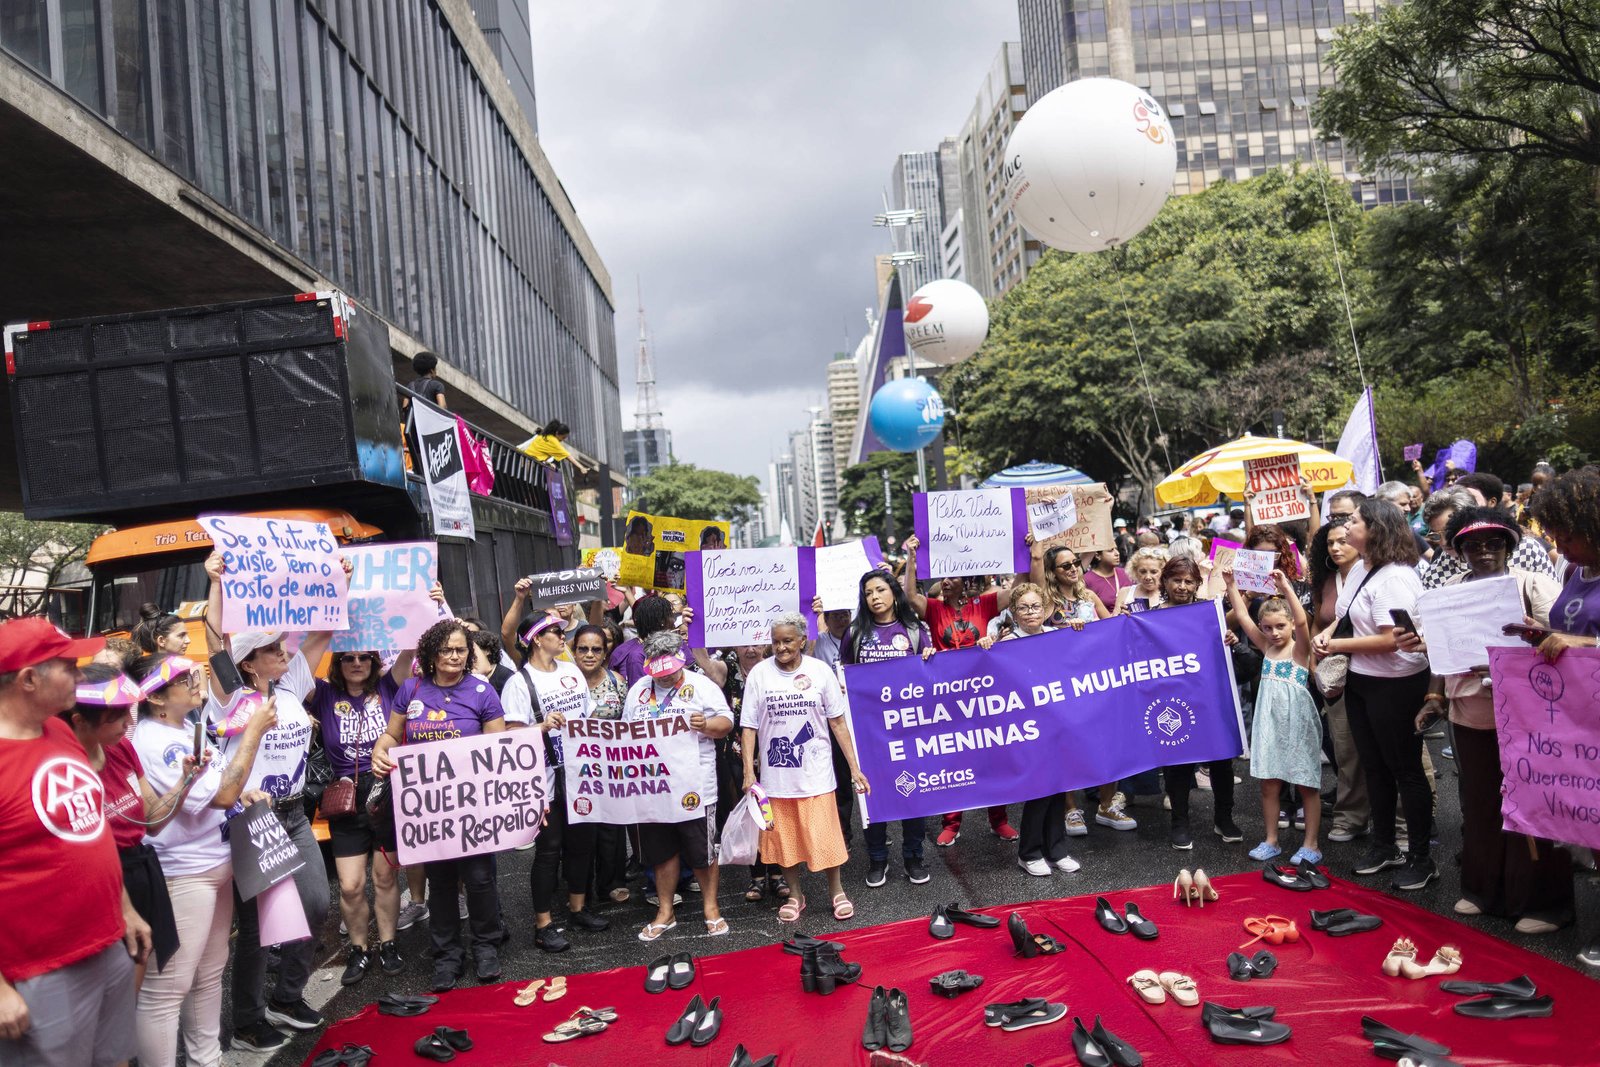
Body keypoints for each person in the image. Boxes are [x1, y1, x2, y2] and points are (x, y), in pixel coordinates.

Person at [1402, 508, 1566, 932]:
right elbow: (1440, 650)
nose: (1484, 551)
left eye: (1494, 542)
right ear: (1459, 551)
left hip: (1528, 718)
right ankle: (1482, 890)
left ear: (1510, 545)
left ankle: (1542, 904)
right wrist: (1434, 696)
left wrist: (1531, 643)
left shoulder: (1533, 584)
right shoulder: (1452, 589)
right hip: (1469, 716)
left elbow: (1562, 645)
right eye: (1472, 545)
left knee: (1530, 805)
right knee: (1480, 805)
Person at [0, 617, 151, 1067]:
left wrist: (123, 909)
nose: (82, 675)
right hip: (38, 972)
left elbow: (91, 829)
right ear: (28, 679)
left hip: (105, 948)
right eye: (68, 665)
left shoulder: (60, 731)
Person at [199, 552, 337, 1041]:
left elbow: (323, 632)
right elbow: (216, 645)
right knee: (259, 928)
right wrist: (215, 584)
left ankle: (287, 997)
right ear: (248, 661)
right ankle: (249, 1018)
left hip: (295, 816)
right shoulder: (231, 698)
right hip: (252, 819)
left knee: (317, 903)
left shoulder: (291, 685)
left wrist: (336, 581)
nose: (285, 652)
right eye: (273, 648)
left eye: (283, 647)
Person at [127, 653, 274, 1062]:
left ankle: (206, 1059)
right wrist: (253, 733)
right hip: (183, 874)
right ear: (156, 699)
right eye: (183, 678)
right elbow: (220, 794)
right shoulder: (152, 740)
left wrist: (240, 793)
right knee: (167, 989)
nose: (196, 679)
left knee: (209, 975)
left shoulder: (186, 725)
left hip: (214, 864)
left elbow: (221, 790)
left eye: (193, 672)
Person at [372, 619, 508, 989]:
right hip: (429, 810)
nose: (453, 655)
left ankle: (486, 948)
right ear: (431, 653)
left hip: (474, 807)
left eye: (461, 650)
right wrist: (380, 753)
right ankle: (446, 956)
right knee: (441, 883)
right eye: (446, 649)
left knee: (480, 880)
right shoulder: (411, 689)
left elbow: (497, 751)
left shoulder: (482, 691)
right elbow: (391, 735)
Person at [1312, 499, 1435, 891]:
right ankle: (1384, 846)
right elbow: (1343, 617)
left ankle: (1420, 857)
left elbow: (1389, 640)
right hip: (1363, 682)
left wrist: (1337, 647)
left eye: (1355, 521)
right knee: (1374, 767)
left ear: (1376, 529)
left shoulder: (1396, 577)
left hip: (1397, 685)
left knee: (1406, 770)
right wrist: (1328, 635)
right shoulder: (1363, 567)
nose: (1347, 528)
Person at [68, 666, 194, 993]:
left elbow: (152, 820)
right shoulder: (65, 769)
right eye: (117, 715)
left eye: (128, 710)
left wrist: (185, 781)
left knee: (136, 980)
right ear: (80, 721)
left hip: (139, 870)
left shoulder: (122, 747)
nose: (128, 722)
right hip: (102, 882)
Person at [739, 613, 869, 923]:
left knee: (826, 837)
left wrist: (854, 767)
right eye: (776, 642)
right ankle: (796, 895)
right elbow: (748, 726)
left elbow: (837, 722)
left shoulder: (820, 671)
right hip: (777, 776)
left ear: (801, 641)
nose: (781, 647)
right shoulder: (759, 674)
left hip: (816, 773)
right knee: (785, 842)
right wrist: (748, 771)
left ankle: (836, 891)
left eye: (787, 641)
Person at [900, 534, 1023, 845]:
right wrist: (912, 557)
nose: (945, 582)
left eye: (951, 576)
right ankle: (951, 823)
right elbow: (909, 595)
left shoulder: (986, 604)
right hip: (948, 698)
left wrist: (1026, 550)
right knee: (953, 759)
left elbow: (1020, 587)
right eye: (942, 576)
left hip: (984, 696)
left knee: (992, 757)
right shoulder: (933, 608)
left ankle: (999, 820)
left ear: (967, 580)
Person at [309, 644, 419, 987]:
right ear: (337, 664)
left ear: (374, 662)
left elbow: (410, 647)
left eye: (364, 658)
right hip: (345, 797)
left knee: (385, 879)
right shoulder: (323, 694)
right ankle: (359, 948)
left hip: (386, 792)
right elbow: (300, 666)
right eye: (348, 659)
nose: (356, 664)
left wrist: (427, 600)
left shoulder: (388, 686)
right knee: (351, 884)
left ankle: (387, 944)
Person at [500, 613, 605, 952]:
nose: (563, 637)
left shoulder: (572, 672)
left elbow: (588, 716)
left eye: (562, 632)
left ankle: (577, 908)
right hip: (544, 779)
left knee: (582, 844)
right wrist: (542, 727)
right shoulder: (520, 682)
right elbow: (509, 735)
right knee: (548, 850)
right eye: (555, 632)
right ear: (535, 638)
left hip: (581, 774)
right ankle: (543, 923)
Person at [626, 631, 734, 941]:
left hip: (695, 787)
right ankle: (665, 912)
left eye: (671, 672)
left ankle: (711, 909)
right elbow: (625, 735)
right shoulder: (638, 691)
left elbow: (726, 722)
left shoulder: (701, 686)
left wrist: (706, 725)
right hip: (654, 788)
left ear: (681, 660)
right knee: (661, 853)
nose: (665, 678)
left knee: (702, 852)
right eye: (658, 673)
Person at [1032, 543, 1134, 836]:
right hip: (1061, 685)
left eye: (1076, 562)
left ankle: (1105, 805)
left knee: (1106, 743)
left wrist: (1122, 616)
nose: (1074, 568)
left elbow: (1111, 626)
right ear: (1052, 572)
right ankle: (1070, 810)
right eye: (1066, 565)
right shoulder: (1046, 601)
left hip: (1096, 683)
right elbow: (1035, 632)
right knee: (1066, 747)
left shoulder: (1088, 595)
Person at [1223, 568, 1323, 865]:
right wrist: (1230, 585)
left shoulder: (1300, 650)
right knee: (1269, 783)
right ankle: (1271, 840)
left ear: (1291, 624)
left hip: (1298, 724)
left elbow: (1304, 620)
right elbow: (1242, 617)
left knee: (1306, 783)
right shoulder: (1266, 647)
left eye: (1280, 626)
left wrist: (1285, 586)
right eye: (1267, 627)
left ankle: (1311, 844)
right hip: (1269, 725)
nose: (1274, 632)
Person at [842, 571, 934, 888]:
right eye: (868, 593)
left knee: (913, 792)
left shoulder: (915, 629)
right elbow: (844, 676)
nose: (875, 597)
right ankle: (877, 858)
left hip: (909, 727)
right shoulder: (855, 634)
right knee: (872, 794)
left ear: (894, 592)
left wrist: (929, 658)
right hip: (870, 730)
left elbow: (931, 677)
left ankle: (913, 856)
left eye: (881, 589)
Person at [985, 581, 1081, 877]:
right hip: (1026, 729)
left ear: (1045, 609)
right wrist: (985, 647)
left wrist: (1080, 631)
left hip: (1056, 725)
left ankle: (1057, 849)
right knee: (1039, 790)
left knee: (1058, 788)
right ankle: (1029, 853)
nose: (1030, 612)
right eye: (1023, 608)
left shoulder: (1056, 636)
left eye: (1035, 606)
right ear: (1013, 612)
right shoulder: (1007, 643)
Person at [1156, 556, 1240, 848]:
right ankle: (1179, 823)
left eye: (1188, 580)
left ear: (1196, 583)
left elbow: (1222, 644)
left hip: (1208, 696)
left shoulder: (1209, 612)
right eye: (1176, 580)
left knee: (1220, 758)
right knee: (1177, 763)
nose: (1182, 586)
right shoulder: (1148, 618)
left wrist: (1229, 638)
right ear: (1165, 581)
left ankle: (1224, 818)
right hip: (1170, 700)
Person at [1308, 517, 1368, 844]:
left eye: (1343, 540)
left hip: (1376, 670)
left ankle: (1403, 821)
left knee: (1384, 750)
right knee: (1345, 750)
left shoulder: (1374, 574)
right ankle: (1351, 817)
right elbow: (1318, 622)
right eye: (1330, 542)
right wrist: (1314, 660)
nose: (1336, 547)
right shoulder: (1326, 581)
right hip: (1335, 675)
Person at [571, 624, 630, 904]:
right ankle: (577, 887)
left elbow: (629, 722)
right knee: (580, 830)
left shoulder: (617, 682)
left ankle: (611, 883)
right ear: (574, 652)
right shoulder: (563, 682)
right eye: (583, 649)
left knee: (611, 829)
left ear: (605, 652)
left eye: (596, 649)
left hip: (611, 768)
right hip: (574, 770)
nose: (590, 654)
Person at [1115, 546, 1168, 614]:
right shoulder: (1125, 592)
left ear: (1163, 572)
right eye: (1143, 572)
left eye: (1153, 572)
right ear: (1135, 571)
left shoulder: (1169, 594)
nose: (1148, 577)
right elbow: (1114, 621)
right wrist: (1121, 615)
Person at [1082, 546, 1131, 612]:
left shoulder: (1126, 573)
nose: (1117, 553)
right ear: (1098, 556)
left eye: (1116, 549)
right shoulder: (1087, 580)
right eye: (1110, 550)